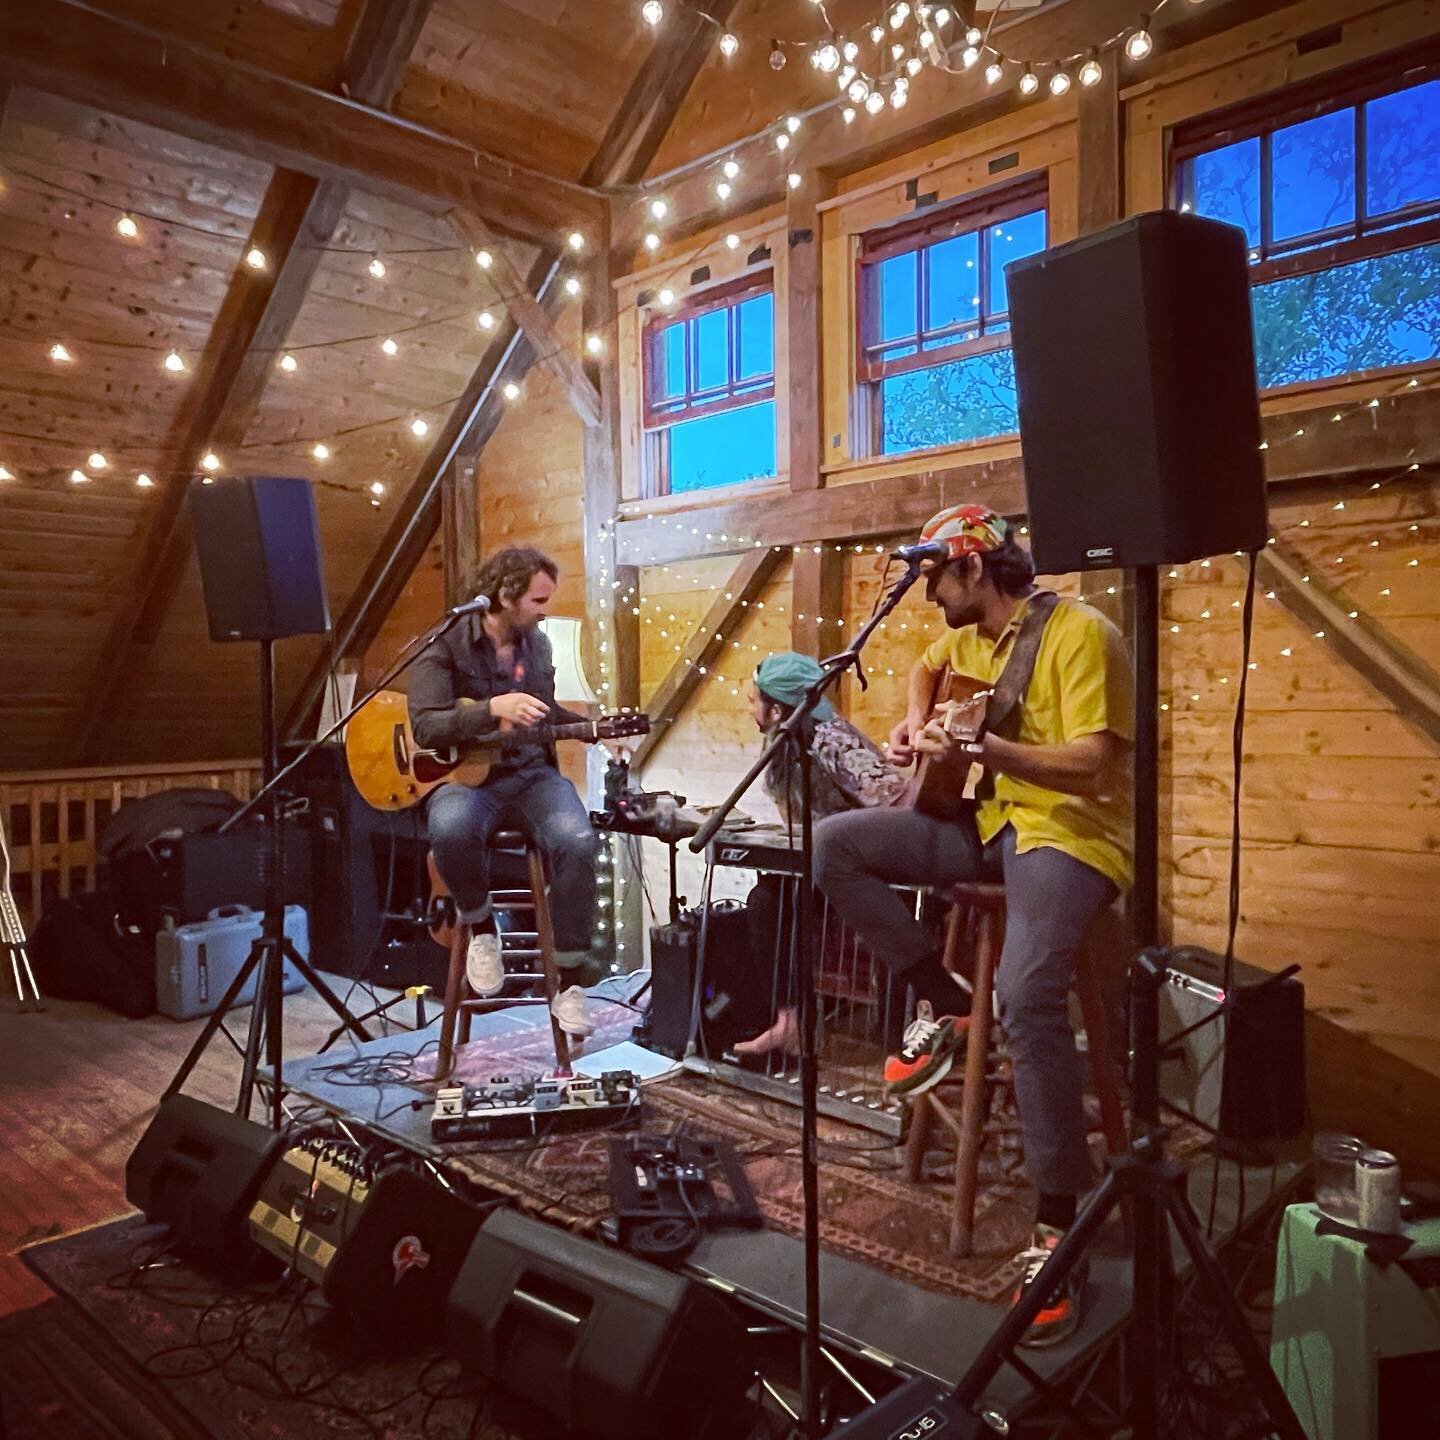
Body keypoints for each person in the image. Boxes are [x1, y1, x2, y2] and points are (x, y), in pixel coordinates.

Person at [812, 504, 1133, 1347]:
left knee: (1029, 997)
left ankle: (1057, 1225)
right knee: (831, 847)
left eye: (935, 580)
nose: (928, 598)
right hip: (980, 829)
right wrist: (918, 724)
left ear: (975, 570)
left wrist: (989, 752)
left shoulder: (1081, 635)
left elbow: (1096, 763)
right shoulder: (966, 642)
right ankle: (947, 999)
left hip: (1063, 834)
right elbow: (925, 665)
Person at [408, 546, 602, 1039]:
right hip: (470, 782)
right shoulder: (446, 642)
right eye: (537, 600)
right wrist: (492, 708)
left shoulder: (537, 646)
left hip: (532, 776)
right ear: (505, 594)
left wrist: (598, 730)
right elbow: (426, 727)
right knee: (448, 828)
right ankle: (479, 926)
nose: (544, 610)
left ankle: (570, 981)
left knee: (579, 843)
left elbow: (546, 711)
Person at [732, 651, 905, 1057]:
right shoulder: (779, 745)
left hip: (868, 870)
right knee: (767, 901)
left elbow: (894, 804)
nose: (748, 706)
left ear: (776, 709)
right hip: (824, 865)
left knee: (885, 914)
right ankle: (792, 1023)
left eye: (753, 698)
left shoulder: (834, 741)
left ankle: (898, 1045)